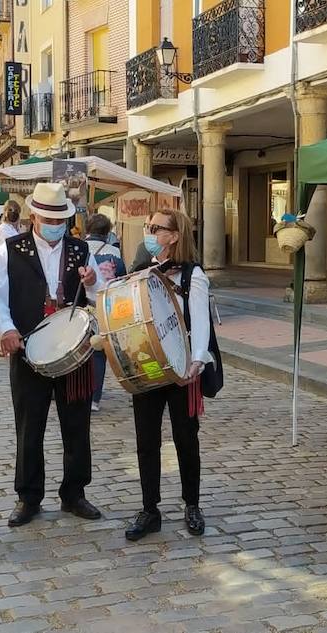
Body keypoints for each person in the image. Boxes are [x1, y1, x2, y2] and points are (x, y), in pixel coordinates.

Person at [0, 182, 105, 528]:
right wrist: (5, 329)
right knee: (29, 425)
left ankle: (74, 493)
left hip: (74, 349)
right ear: (34, 215)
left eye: (61, 219)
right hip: (28, 349)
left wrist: (94, 279)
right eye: (48, 217)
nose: (55, 225)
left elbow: (100, 293)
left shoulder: (80, 249)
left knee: (77, 423)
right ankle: (28, 496)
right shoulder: (11, 248)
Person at [121, 209, 213, 541]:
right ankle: (150, 510)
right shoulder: (142, 272)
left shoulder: (193, 276)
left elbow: (201, 324)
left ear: (174, 236)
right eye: (148, 226)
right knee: (146, 441)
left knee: (186, 440)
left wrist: (198, 361)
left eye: (155, 228)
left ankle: (192, 505)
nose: (149, 231)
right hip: (148, 367)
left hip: (182, 371)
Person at [83, 212, 124, 413]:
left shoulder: (78, 248)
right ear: (108, 232)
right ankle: (94, 397)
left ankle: (75, 392)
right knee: (98, 352)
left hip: (81, 305)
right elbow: (123, 276)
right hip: (107, 307)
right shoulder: (114, 252)